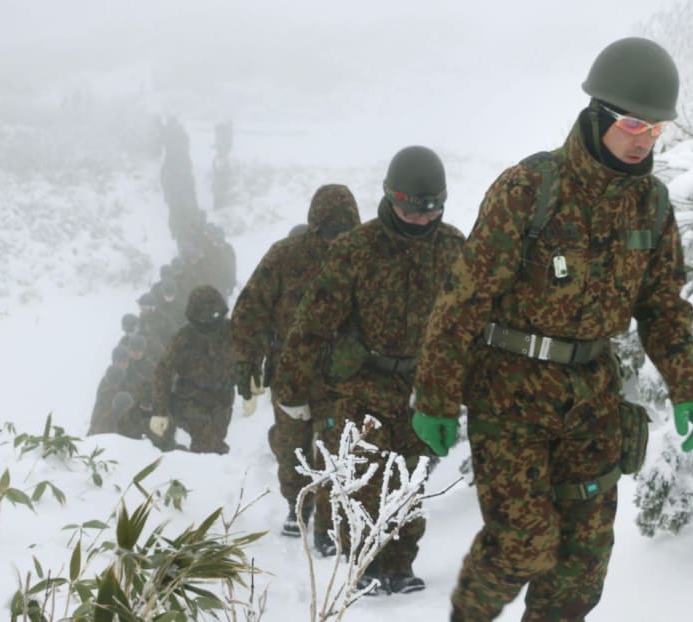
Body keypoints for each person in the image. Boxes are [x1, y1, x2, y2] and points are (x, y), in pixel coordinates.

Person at [410, 37, 693, 621]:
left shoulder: (650, 206)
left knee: (581, 570)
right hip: (510, 395)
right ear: (598, 113)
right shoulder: (530, 189)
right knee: (522, 546)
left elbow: (663, 308)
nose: (643, 139)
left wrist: (688, 387)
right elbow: (464, 300)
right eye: (632, 123)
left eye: (655, 128)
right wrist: (437, 396)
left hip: (592, 400)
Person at [273, 147, 464, 594]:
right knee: (361, 481)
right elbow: (312, 324)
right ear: (390, 197)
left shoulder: (454, 248)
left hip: (421, 386)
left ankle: (399, 566)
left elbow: (468, 323)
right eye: (411, 210)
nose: (421, 219)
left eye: (431, 210)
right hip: (361, 385)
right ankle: (362, 568)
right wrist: (291, 389)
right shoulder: (355, 250)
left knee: (410, 480)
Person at [231, 184, 361, 545]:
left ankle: (332, 517)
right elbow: (250, 308)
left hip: (343, 376)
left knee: (340, 447)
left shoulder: (365, 256)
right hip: (291, 375)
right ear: (315, 225)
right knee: (294, 448)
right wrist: (246, 359)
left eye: (344, 231)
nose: (336, 240)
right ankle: (298, 504)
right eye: (329, 231)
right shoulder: (285, 257)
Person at [152, 285, 235, 454]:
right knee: (207, 443)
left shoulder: (231, 331)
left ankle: (207, 465)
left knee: (216, 441)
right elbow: (163, 372)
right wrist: (160, 411)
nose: (210, 322)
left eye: (214, 316)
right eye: (204, 318)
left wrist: (251, 384)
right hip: (191, 399)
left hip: (222, 399)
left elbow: (249, 354)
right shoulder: (184, 339)